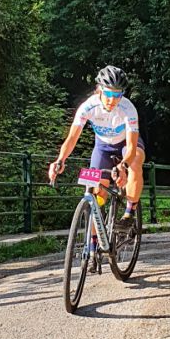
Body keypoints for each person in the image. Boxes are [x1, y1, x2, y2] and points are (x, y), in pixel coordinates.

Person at [49, 65, 145, 225]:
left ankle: (130, 212)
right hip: (102, 147)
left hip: (125, 145)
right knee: (96, 193)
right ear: (99, 89)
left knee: (135, 162)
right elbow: (72, 138)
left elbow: (132, 147)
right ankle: (93, 243)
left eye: (117, 95)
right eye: (107, 93)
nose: (112, 100)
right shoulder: (88, 107)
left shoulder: (128, 109)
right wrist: (60, 160)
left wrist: (123, 165)